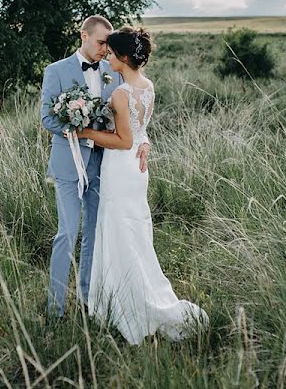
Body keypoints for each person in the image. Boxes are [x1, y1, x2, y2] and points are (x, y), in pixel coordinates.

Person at [76, 26, 209, 344]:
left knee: (121, 229)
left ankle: (128, 303)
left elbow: (122, 140)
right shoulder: (147, 86)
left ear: (122, 57)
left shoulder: (121, 95)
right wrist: (145, 142)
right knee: (133, 229)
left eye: (110, 53)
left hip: (122, 167)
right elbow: (140, 131)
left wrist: (86, 133)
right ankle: (118, 295)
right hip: (137, 169)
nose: (106, 57)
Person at [39, 16, 151, 318]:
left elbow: (129, 115)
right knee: (67, 232)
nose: (106, 48)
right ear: (84, 36)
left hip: (104, 166)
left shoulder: (113, 73)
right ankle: (56, 308)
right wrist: (76, 124)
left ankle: (88, 302)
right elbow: (48, 118)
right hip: (67, 165)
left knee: (93, 233)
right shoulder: (56, 71)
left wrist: (145, 140)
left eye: (109, 44)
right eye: (102, 42)